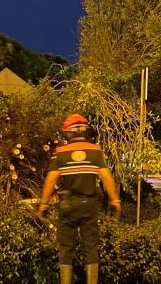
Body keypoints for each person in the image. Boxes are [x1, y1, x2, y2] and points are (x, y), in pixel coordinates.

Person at [38, 114, 121, 284]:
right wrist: (115, 200)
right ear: (85, 131)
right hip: (89, 205)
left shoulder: (60, 153)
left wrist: (43, 204)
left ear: (67, 133)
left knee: (66, 248)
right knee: (90, 247)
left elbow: (51, 179)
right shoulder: (95, 151)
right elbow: (106, 177)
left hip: (67, 205)